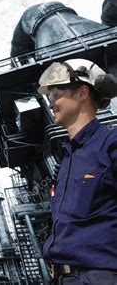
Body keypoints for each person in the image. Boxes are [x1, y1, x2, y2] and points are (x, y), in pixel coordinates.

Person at [37, 59, 117, 284]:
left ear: (82, 93)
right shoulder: (68, 159)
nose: (51, 104)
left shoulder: (110, 142)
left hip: (99, 275)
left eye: (55, 95)